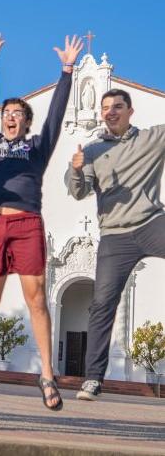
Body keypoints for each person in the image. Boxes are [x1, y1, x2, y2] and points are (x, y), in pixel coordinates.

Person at [0, 33, 83, 411]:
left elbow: (57, 115)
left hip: (28, 225)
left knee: (37, 301)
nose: (11, 116)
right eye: (7, 113)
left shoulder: (37, 146)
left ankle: (47, 376)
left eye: (18, 114)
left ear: (26, 121)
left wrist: (67, 71)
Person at [66, 89, 165, 401]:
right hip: (114, 236)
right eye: (105, 107)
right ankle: (93, 379)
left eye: (117, 107)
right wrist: (76, 168)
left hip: (152, 223)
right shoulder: (92, 150)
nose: (110, 112)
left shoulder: (152, 138)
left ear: (130, 111)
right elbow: (77, 192)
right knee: (101, 305)